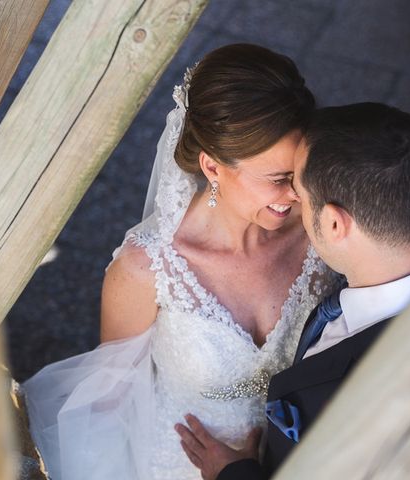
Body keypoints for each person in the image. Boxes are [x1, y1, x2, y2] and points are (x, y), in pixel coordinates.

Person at [22, 44, 341, 479]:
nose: (296, 194)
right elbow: (111, 398)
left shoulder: (324, 232)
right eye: (277, 180)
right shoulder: (146, 269)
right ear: (212, 167)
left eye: (302, 175)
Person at [175, 102, 410, 480]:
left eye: (299, 189)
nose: (290, 200)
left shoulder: (376, 392)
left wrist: (234, 474)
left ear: (334, 223)